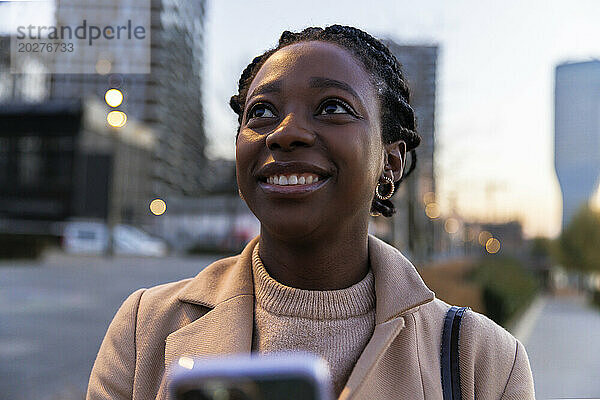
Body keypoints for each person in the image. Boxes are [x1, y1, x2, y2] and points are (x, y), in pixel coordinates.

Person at [86, 25, 535, 400]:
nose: (285, 133)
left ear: (390, 162)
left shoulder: (484, 362)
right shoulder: (145, 327)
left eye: (332, 108)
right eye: (261, 112)